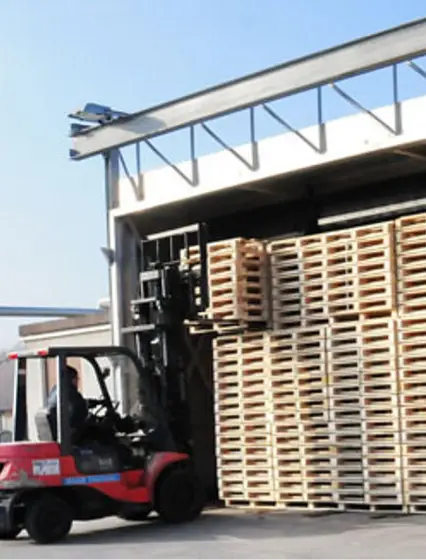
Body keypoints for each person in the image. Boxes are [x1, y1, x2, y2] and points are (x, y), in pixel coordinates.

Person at [46, 365, 110, 445]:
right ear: (73, 379)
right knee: (103, 431)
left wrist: (96, 402)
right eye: (77, 379)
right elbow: (80, 411)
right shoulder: (70, 392)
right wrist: (96, 419)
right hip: (71, 434)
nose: (77, 382)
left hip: (62, 431)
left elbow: (76, 404)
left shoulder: (56, 390)